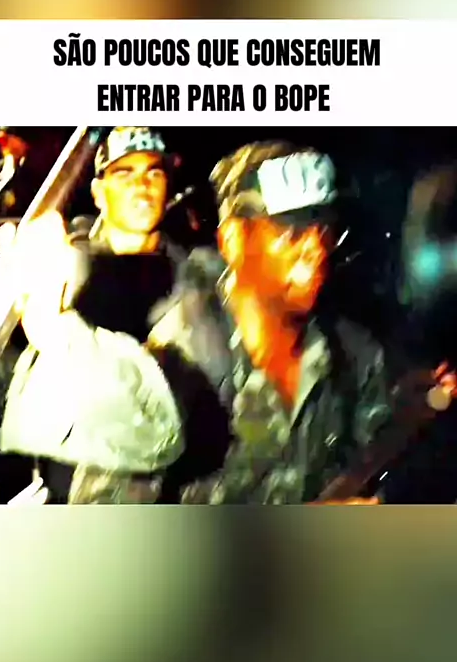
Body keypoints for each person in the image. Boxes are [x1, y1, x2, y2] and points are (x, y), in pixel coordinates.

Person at [147, 140, 392, 503]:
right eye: (291, 233)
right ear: (233, 240)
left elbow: (370, 478)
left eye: (325, 231)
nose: (316, 250)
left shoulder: (355, 357)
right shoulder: (172, 365)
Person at [0, 126, 208, 504]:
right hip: (56, 487)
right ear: (98, 192)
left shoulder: (196, 282)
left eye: (154, 172)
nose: (141, 186)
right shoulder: (66, 262)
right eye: (124, 174)